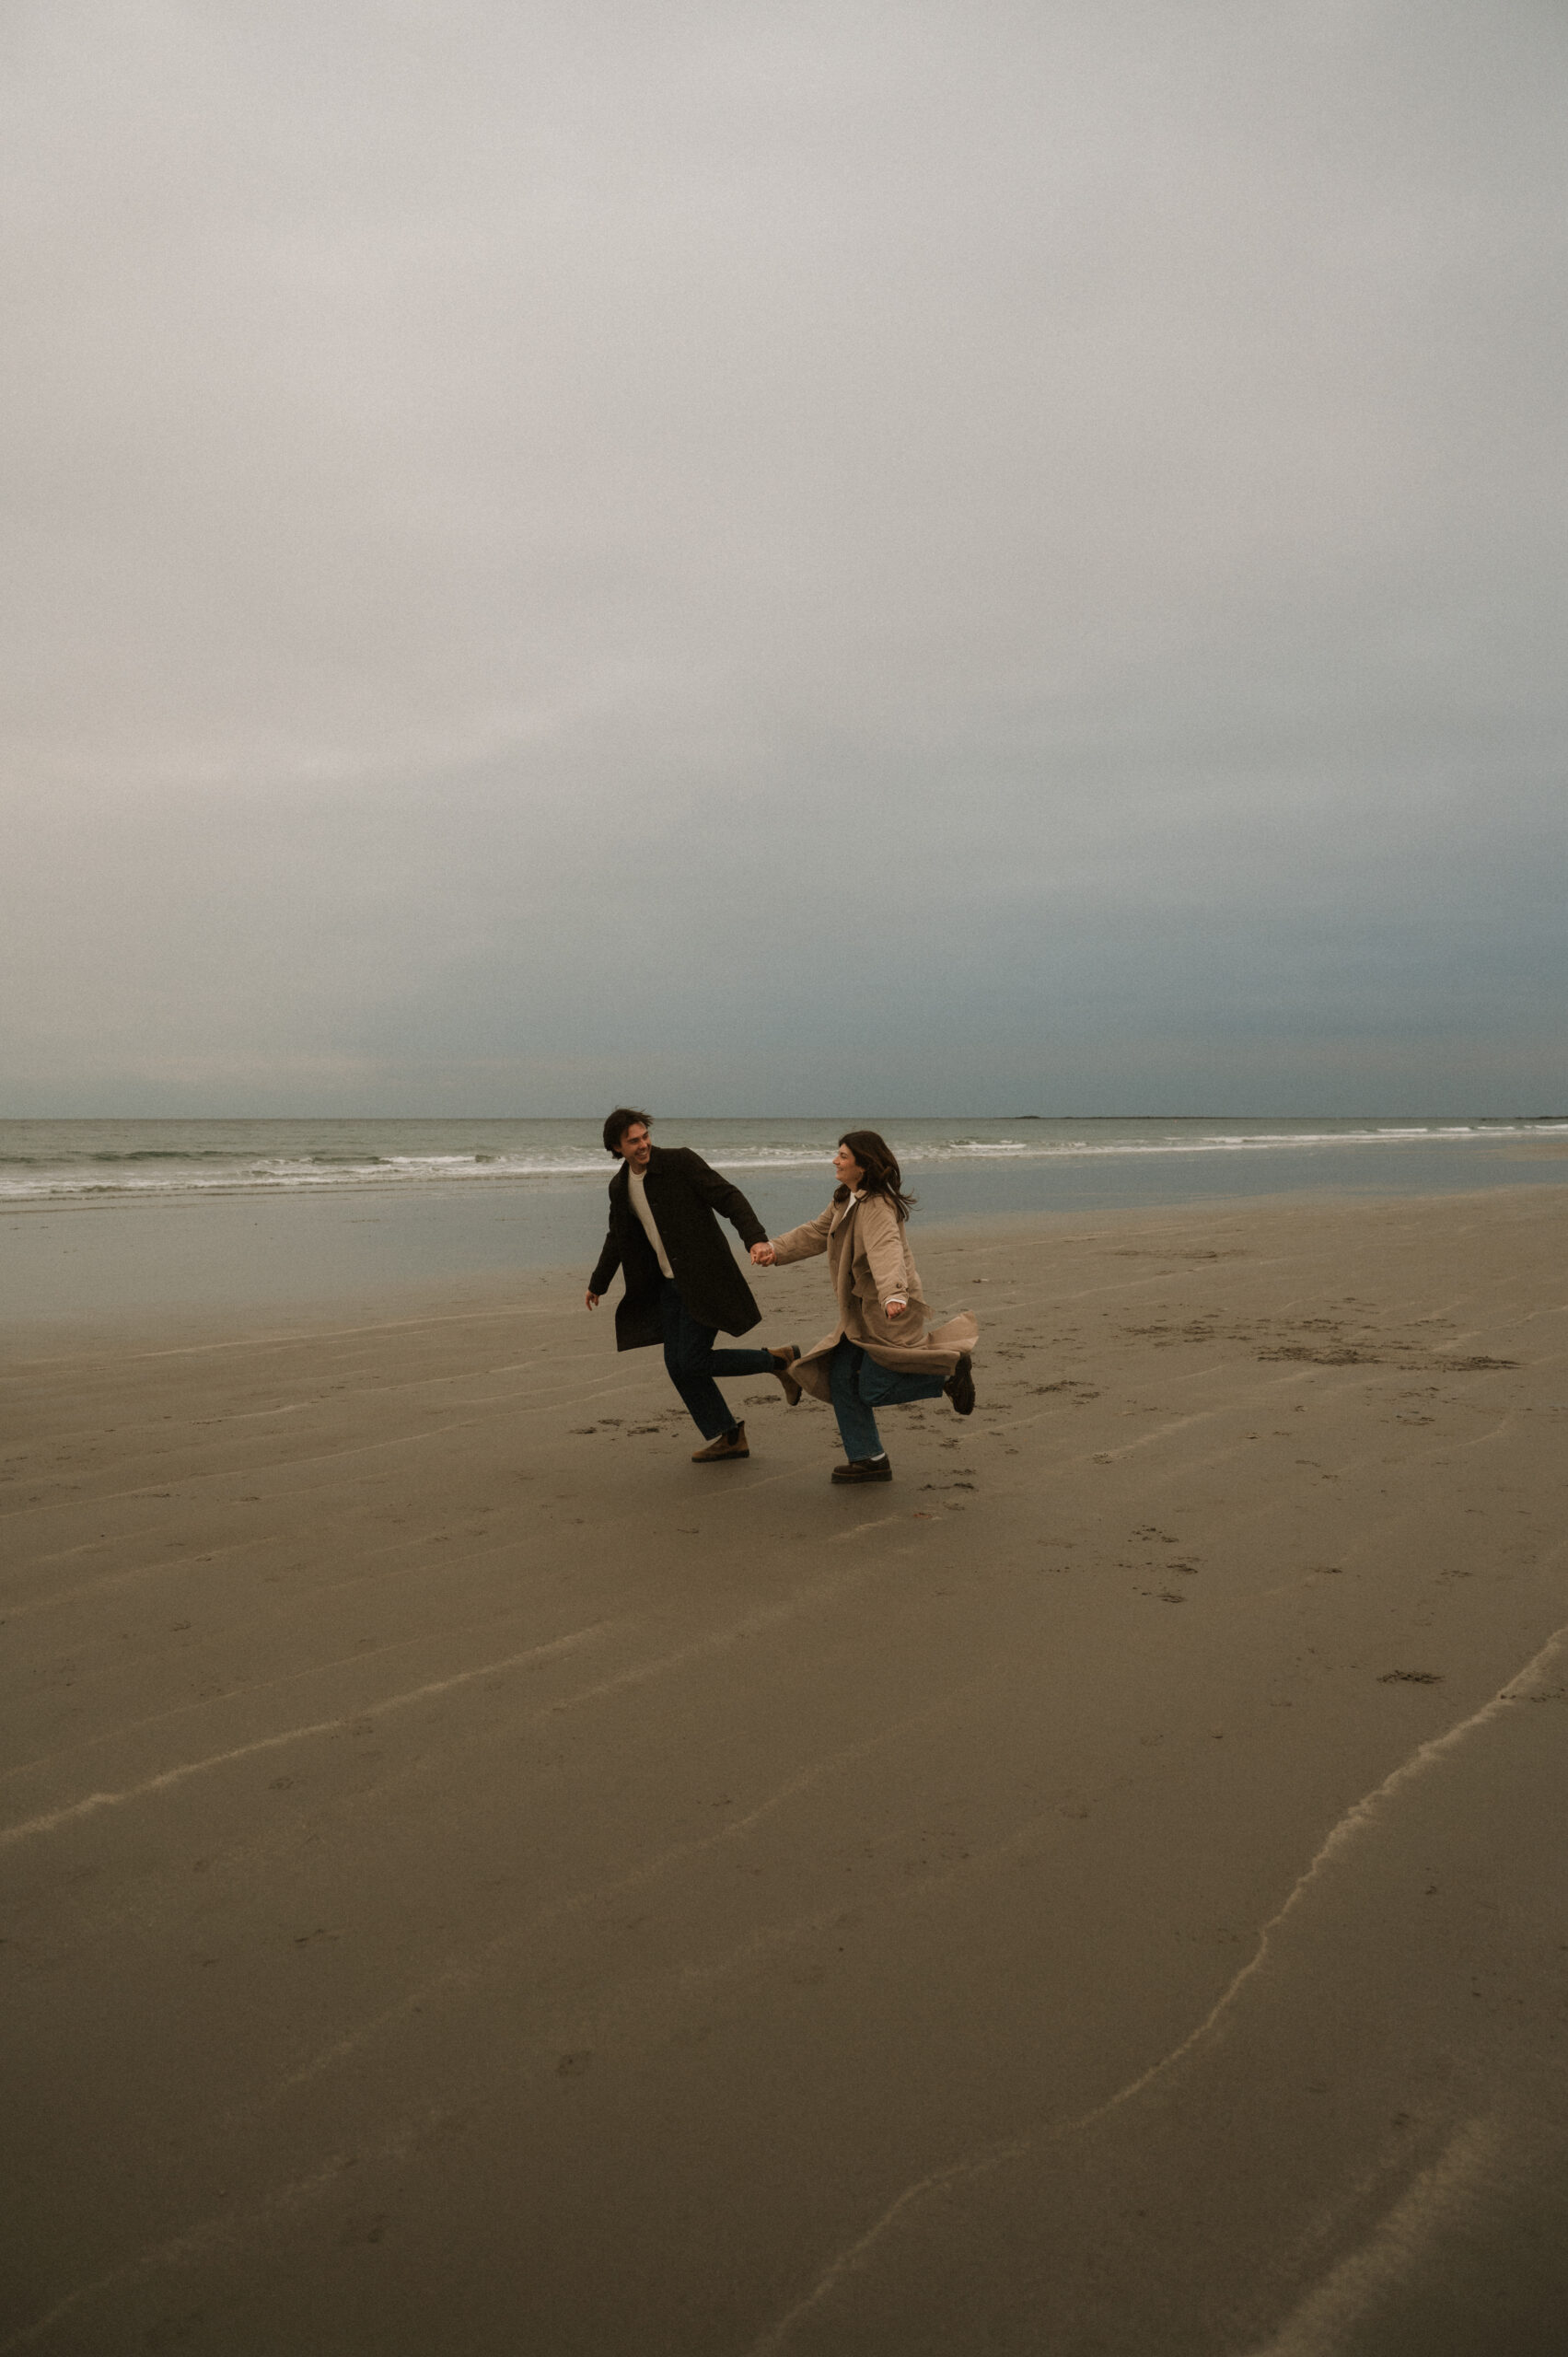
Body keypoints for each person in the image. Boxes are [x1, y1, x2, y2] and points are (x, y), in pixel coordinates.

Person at [750, 1130, 977, 1484]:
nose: (835, 1161)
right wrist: (774, 1249)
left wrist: (894, 1295)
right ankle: (869, 1459)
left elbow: (887, 1250)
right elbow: (815, 1233)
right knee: (842, 1380)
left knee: (872, 1388)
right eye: (837, 1154)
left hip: (888, 1313)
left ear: (863, 1164)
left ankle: (946, 1373)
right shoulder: (847, 1198)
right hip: (861, 1313)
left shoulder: (877, 1207)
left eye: (843, 1156)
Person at [586, 1109, 801, 1462]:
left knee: (691, 1360)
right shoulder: (620, 1186)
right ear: (616, 1147)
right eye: (633, 1141)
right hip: (667, 1287)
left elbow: (729, 1197)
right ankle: (730, 1436)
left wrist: (756, 1240)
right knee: (678, 1365)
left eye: (644, 1136)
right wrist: (599, 1282)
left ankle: (776, 1362)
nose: (643, 1145)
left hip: (705, 1280)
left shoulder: (680, 1163)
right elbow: (618, 1237)